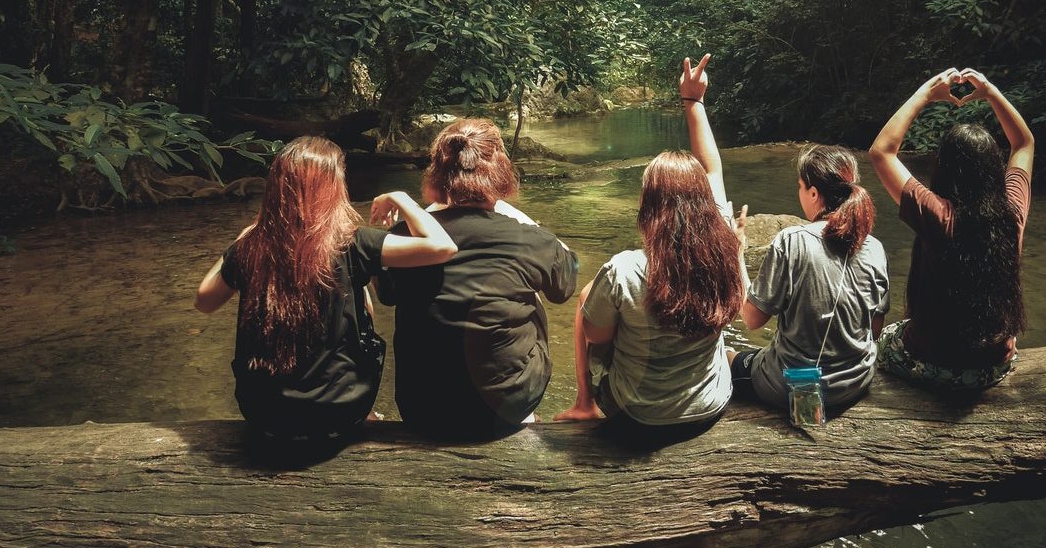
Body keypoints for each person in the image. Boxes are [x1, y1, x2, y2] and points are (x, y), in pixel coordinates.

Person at [194, 136, 457, 440]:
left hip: (263, 414)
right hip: (335, 414)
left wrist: (242, 241)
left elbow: (204, 301)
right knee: (357, 289)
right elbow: (443, 247)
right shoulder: (352, 242)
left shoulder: (251, 246)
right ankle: (365, 414)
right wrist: (402, 198)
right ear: (333, 187)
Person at [554, 54, 745, 440]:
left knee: (590, 297)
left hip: (635, 417)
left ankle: (584, 402)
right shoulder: (724, 244)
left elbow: (597, 338)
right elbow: (713, 170)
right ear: (704, 204)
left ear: (649, 208)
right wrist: (695, 103)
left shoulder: (625, 269)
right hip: (709, 407)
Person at [378, 118, 578, 439]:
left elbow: (386, 294)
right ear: (500, 172)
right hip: (504, 408)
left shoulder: (405, 235)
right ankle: (522, 408)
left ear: (438, 175)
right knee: (529, 286)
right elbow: (565, 286)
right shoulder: (528, 238)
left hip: (422, 409)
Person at [867, 67, 1035, 392]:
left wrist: (926, 94)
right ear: (994, 170)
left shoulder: (937, 214)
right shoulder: (1012, 213)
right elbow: (1024, 143)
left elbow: (881, 151)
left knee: (886, 338)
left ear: (943, 169)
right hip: (993, 365)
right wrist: (990, 93)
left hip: (934, 364)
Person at [728, 144, 889, 414]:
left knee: (726, 356)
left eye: (800, 186)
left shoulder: (792, 240)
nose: (799, 192)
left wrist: (737, 253)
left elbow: (752, 319)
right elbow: (874, 330)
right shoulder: (874, 247)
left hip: (795, 388)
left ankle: (805, 410)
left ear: (814, 193)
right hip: (856, 382)